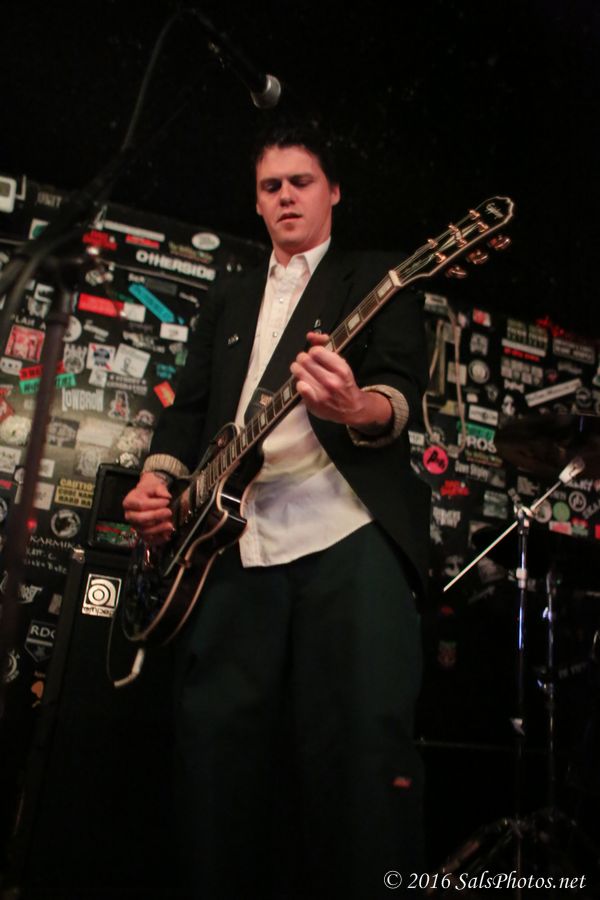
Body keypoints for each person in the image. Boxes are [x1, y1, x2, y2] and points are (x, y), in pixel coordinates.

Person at [123, 120, 431, 899]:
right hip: (230, 541)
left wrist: (355, 405)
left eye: (302, 181)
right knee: (214, 753)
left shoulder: (379, 275)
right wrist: (159, 481)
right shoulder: (230, 294)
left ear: (334, 192)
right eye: (271, 186)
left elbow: (398, 391)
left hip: (347, 531)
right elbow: (189, 410)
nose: (287, 195)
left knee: (362, 756)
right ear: (256, 202)